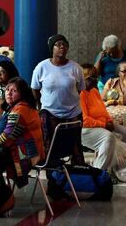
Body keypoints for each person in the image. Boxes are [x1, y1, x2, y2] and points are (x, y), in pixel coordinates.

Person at [0, 77, 45, 187]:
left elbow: (6, 138)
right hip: (32, 151)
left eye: (14, 91)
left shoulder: (19, 111)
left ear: (22, 93)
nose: (9, 93)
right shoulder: (21, 106)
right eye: (7, 89)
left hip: (27, 156)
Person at [31, 34, 86, 165]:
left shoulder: (75, 68)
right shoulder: (42, 67)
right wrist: (41, 103)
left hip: (73, 112)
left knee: (75, 144)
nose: (62, 47)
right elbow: (35, 88)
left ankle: (77, 168)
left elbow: (79, 89)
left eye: (65, 45)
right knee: (49, 144)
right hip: (49, 112)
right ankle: (53, 169)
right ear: (52, 48)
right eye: (58, 44)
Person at [80, 64, 126, 170]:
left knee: (124, 132)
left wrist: (109, 121)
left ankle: (121, 165)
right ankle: (99, 170)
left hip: (101, 124)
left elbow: (103, 110)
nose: (97, 80)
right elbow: (84, 120)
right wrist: (103, 125)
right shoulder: (81, 94)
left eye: (97, 77)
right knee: (108, 137)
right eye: (93, 78)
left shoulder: (94, 91)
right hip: (86, 129)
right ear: (85, 79)